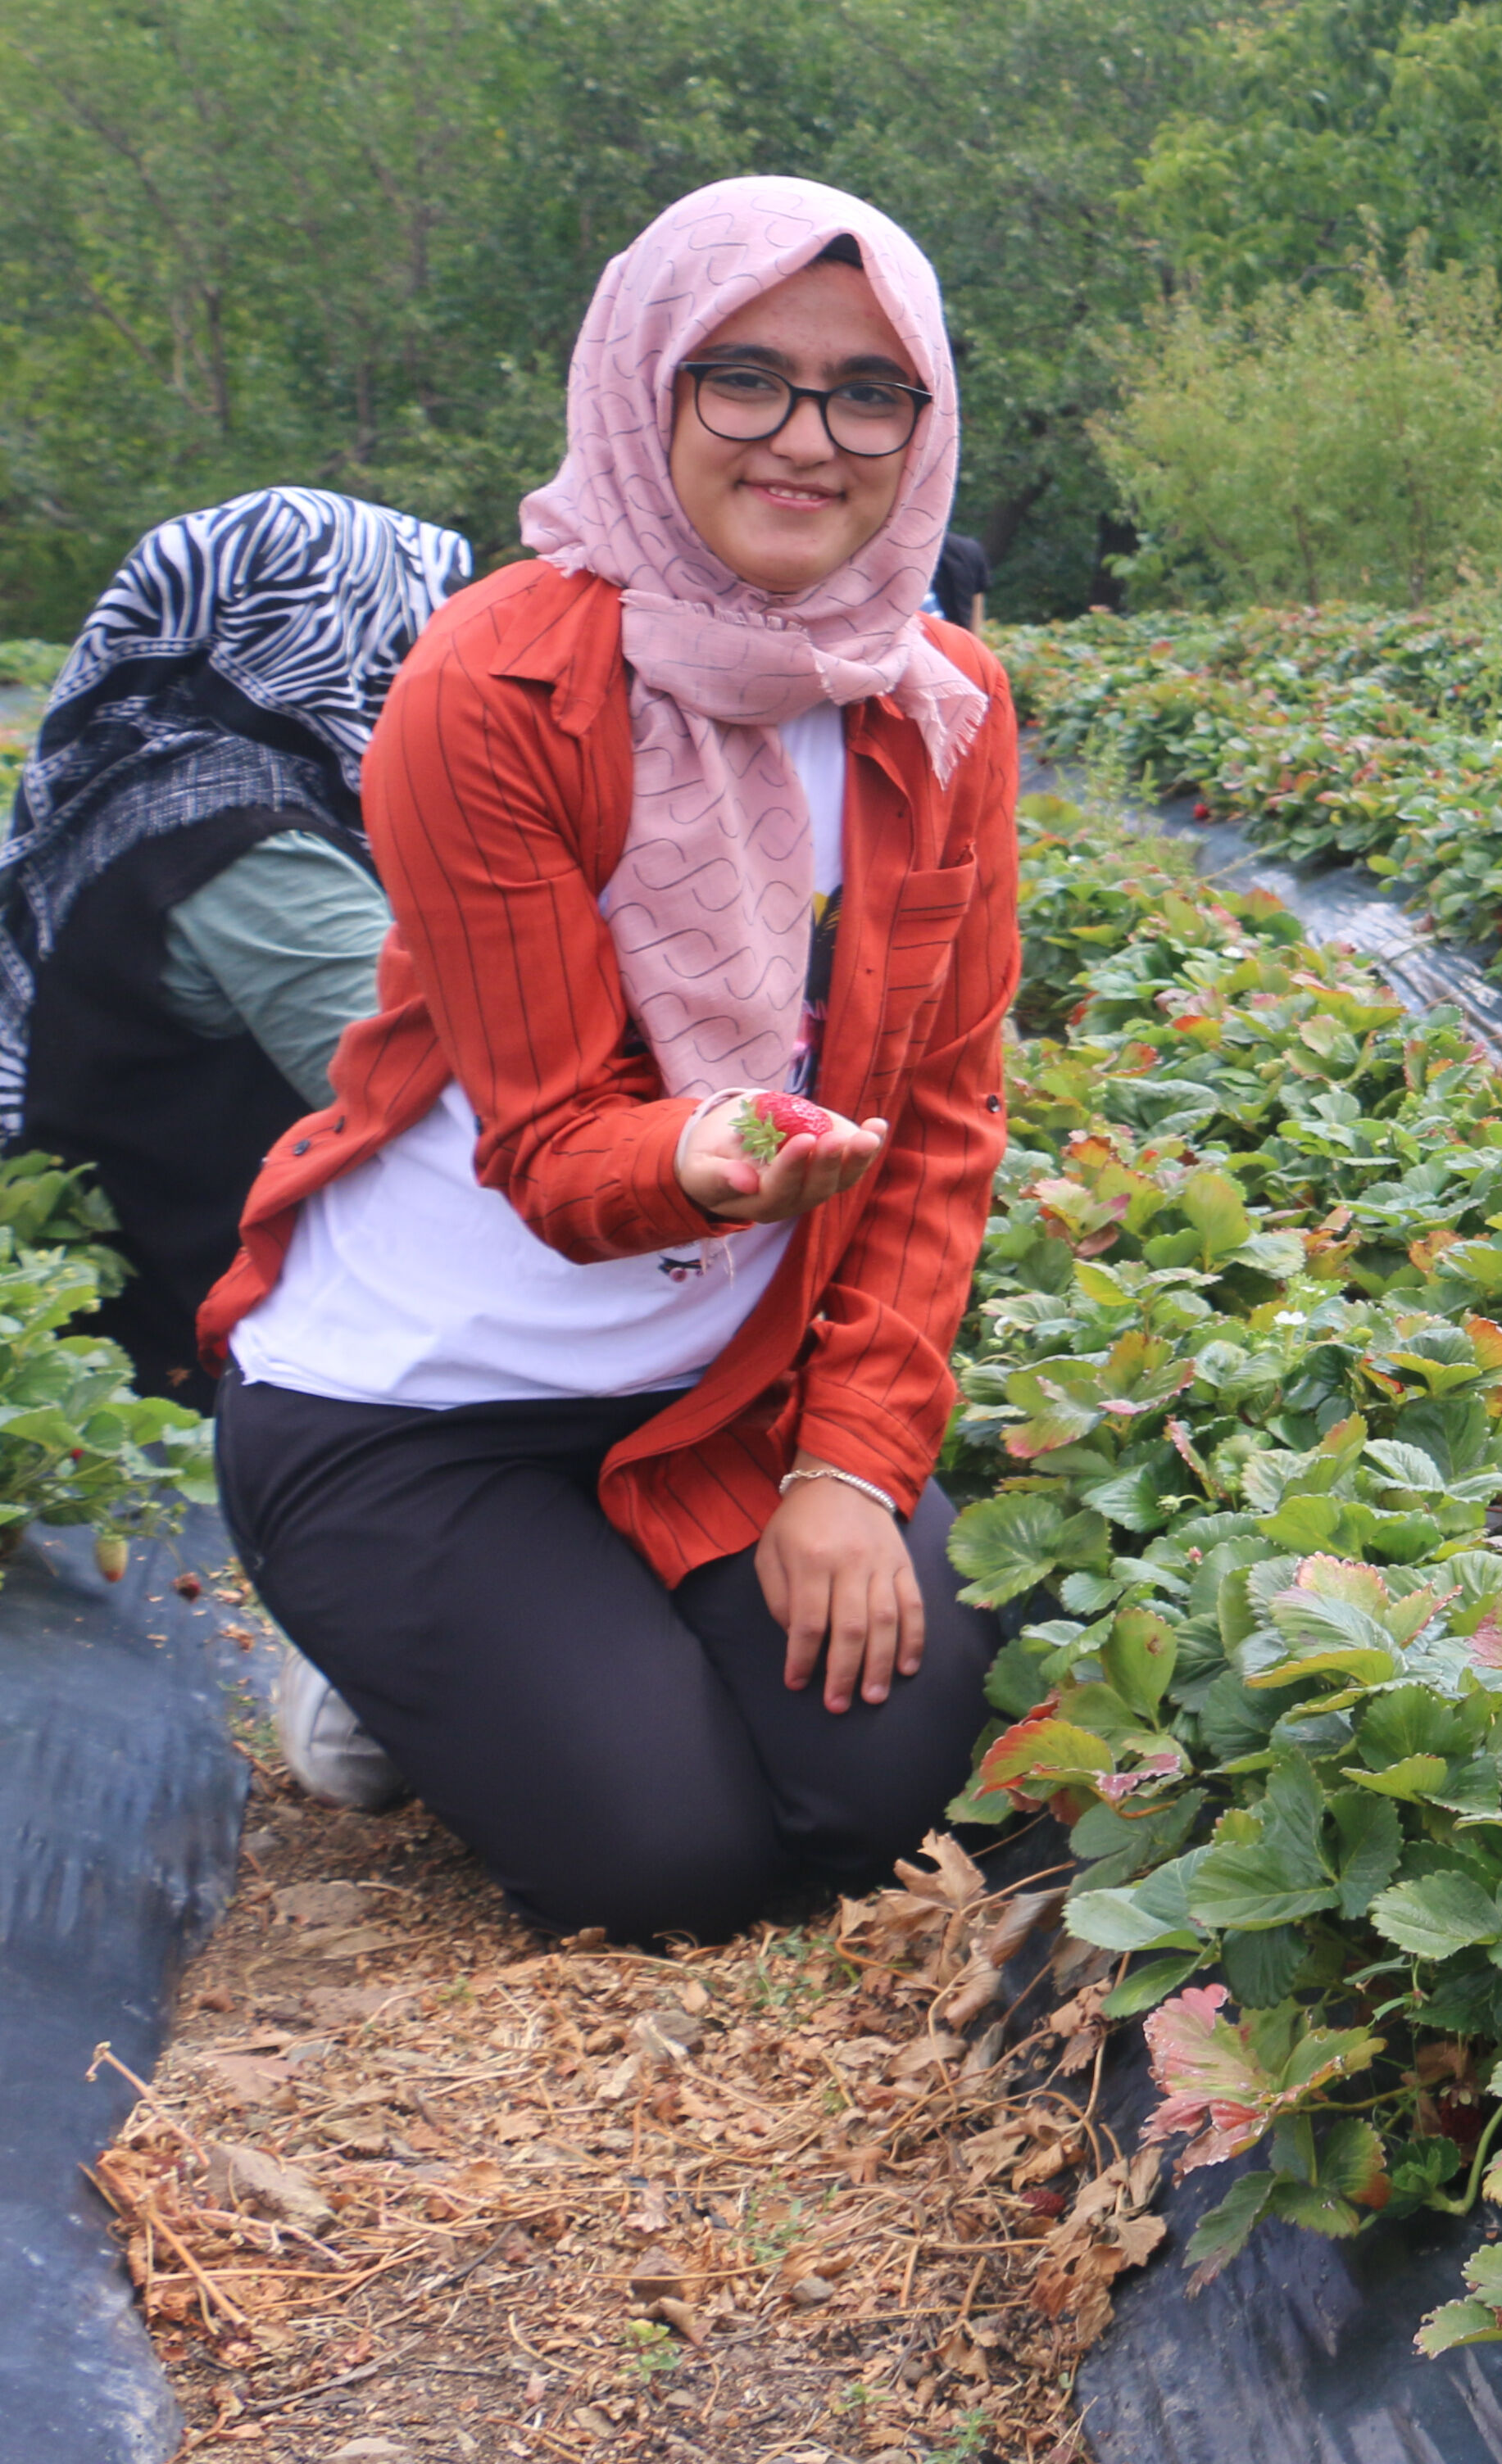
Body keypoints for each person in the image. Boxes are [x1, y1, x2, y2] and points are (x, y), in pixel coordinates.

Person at [199, 176, 1022, 1944]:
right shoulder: (496, 685)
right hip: (422, 1402)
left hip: (724, 1383)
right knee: (671, 1868)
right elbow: (560, 1142)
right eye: (746, 377)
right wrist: (700, 1159)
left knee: (884, 1804)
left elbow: (942, 1125)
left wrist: (850, 1471)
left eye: (868, 391)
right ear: (646, 385)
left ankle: (575, 1635)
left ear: (924, 423)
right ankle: (391, 1661)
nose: (807, 438)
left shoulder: (939, 703)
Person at [0, 490, 478, 1397]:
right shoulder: (251, 844)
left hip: (156, 1265)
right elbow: (431, 1107)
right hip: (222, 1327)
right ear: (341, 630)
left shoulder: (156, 779)